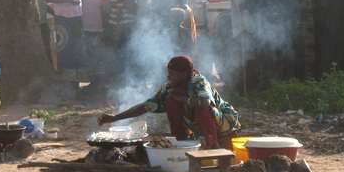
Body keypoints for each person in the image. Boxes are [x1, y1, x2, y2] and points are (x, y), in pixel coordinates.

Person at [97, 56, 240, 149]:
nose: (168, 76)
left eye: (172, 74)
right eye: (169, 73)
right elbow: (145, 106)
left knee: (200, 107)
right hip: (198, 126)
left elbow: (204, 103)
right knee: (171, 101)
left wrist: (184, 99)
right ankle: (182, 144)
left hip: (223, 123)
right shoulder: (169, 87)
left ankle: (212, 147)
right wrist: (114, 118)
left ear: (184, 74)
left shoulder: (199, 82)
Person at [76, 0, 104, 67]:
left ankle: (95, 79)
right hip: (84, 23)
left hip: (96, 22)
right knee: (86, 51)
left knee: (95, 51)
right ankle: (89, 75)